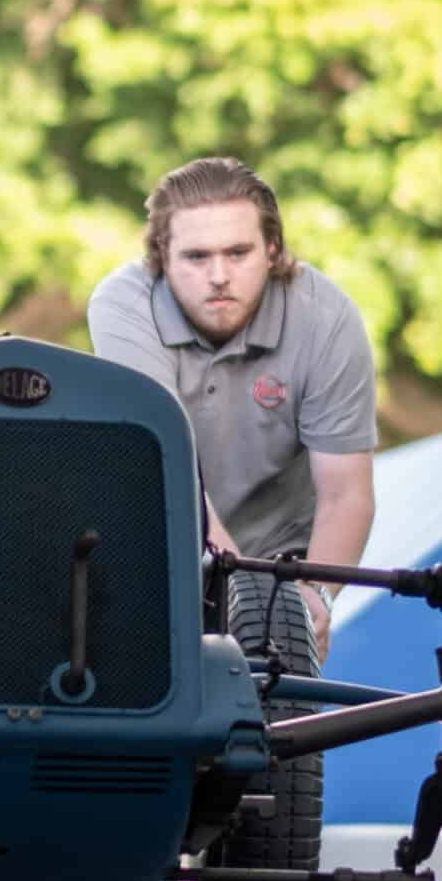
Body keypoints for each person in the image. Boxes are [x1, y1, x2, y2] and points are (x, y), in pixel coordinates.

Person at [86, 157, 376, 660]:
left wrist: (312, 599)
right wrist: (243, 598)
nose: (218, 276)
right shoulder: (123, 306)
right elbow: (171, 475)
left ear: (272, 248)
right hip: (152, 547)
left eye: (238, 253)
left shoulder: (327, 318)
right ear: (161, 256)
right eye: (197, 257)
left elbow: (346, 492)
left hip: (281, 564)